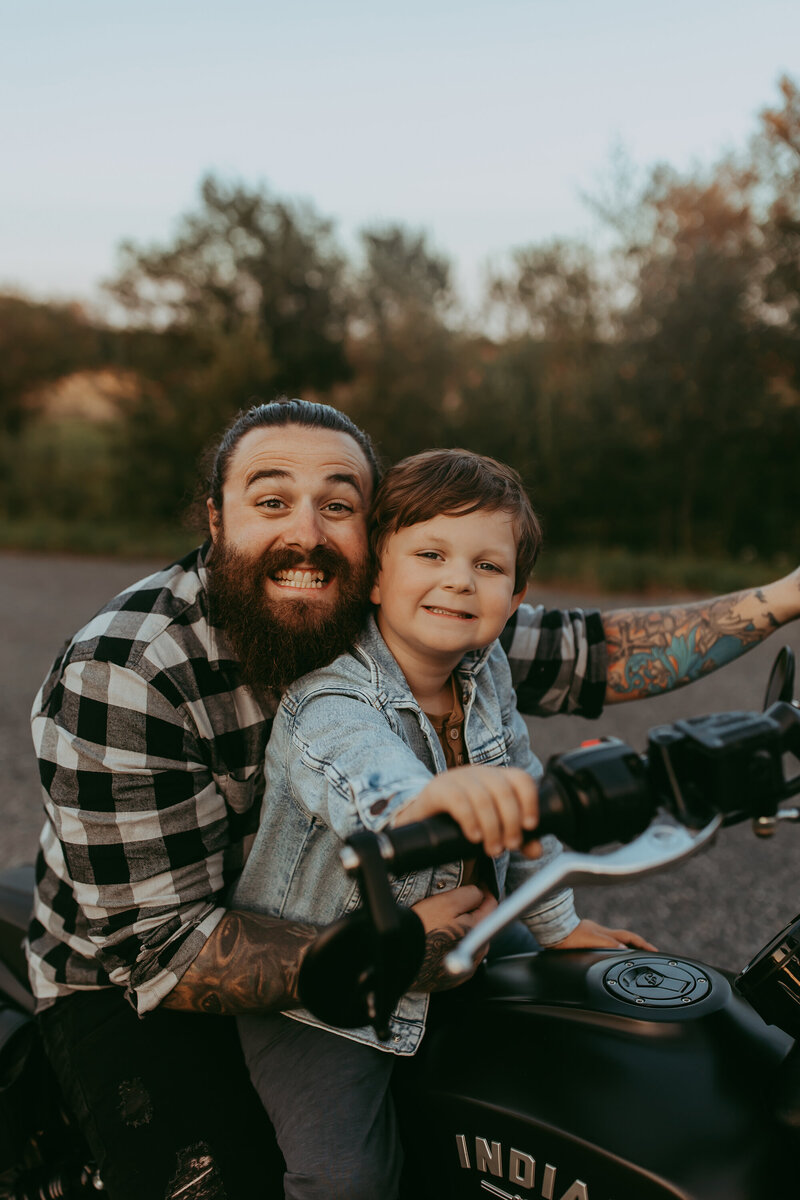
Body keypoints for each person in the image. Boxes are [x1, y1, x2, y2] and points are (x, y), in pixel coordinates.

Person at [26, 397, 800, 1199]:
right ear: (216, 520)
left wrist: (784, 598)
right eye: (270, 501)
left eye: (338, 505)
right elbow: (173, 941)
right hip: (150, 970)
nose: (306, 533)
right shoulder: (126, 671)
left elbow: (594, 655)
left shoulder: (431, 622)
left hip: (399, 929)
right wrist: (427, 833)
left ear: (372, 537)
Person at [232, 447, 655, 1200]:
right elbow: (367, 779)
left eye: (488, 568)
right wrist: (438, 798)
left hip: (466, 932)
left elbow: (523, 786)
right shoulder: (327, 701)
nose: (460, 579)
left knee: (594, 1031)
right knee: (348, 1179)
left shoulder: (485, 673)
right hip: (328, 992)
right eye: (431, 553)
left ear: (517, 593)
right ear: (375, 576)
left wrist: (559, 925)